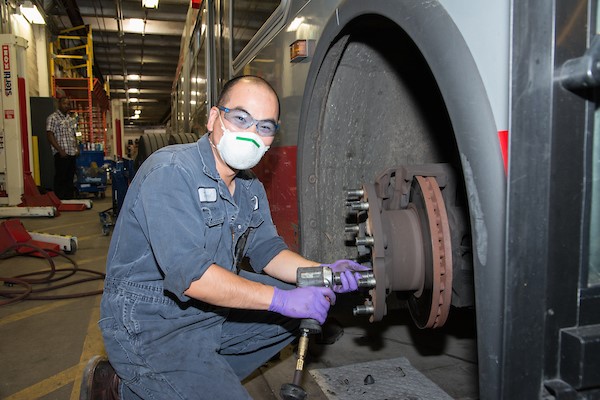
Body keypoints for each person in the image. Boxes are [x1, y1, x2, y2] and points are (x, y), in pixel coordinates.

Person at [95, 76, 369, 399]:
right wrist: (282, 301)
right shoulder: (170, 172)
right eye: (241, 118)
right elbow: (192, 277)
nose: (252, 134)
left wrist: (322, 274)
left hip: (209, 315)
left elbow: (267, 251)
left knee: (305, 303)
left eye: (265, 127)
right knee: (286, 301)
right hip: (149, 325)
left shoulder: (249, 187)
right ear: (214, 118)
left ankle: (195, 378)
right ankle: (126, 387)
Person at [46, 96, 79, 199]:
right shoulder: (53, 118)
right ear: (59, 104)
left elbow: (74, 135)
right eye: (64, 103)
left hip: (71, 153)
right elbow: (50, 135)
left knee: (70, 178)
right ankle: (60, 199)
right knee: (61, 177)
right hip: (61, 154)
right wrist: (59, 150)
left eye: (68, 104)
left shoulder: (70, 119)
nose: (66, 106)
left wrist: (76, 148)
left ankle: (69, 199)